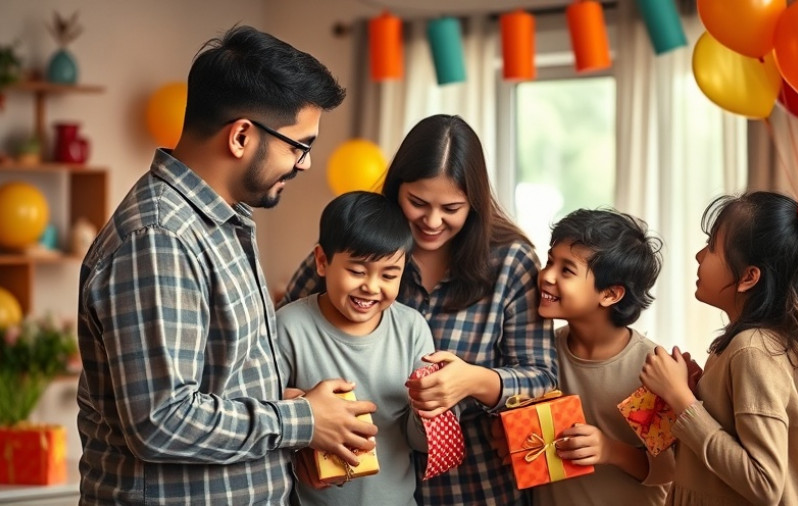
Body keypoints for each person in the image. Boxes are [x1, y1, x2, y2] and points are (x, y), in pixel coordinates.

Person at [76, 26, 377, 505]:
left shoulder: (224, 220)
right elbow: (161, 421)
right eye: (298, 146)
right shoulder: (160, 238)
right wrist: (302, 421)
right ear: (241, 136)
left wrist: (290, 404)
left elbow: (219, 381)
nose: (303, 164)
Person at [280, 114, 557, 504]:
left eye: (452, 208)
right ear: (397, 190)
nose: (431, 221)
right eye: (418, 203)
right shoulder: (353, 246)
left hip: (474, 486)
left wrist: (474, 381)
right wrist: (299, 422)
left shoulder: (510, 262)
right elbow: (277, 352)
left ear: (474, 204)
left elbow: (543, 378)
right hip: (347, 486)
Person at [640, 191, 798, 505]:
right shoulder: (749, 345)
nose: (699, 256)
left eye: (711, 248)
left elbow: (764, 483)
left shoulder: (753, 351)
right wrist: (697, 394)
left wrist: (682, 401)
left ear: (749, 277)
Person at [277, 191, 435, 506]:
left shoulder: (412, 328)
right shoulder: (290, 324)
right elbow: (266, 416)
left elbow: (418, 441)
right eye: (357, 271)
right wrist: (297, 406)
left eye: (389, 275)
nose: (372, 286)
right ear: (322, 261)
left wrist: (428, 408)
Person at [530, 209, 675, 505]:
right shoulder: (541, 353)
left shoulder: (650, 367)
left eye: (566, 270)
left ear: (610, 294)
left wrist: (609, 450)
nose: (546, 276)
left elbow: (667, 470)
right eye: (549, 262)